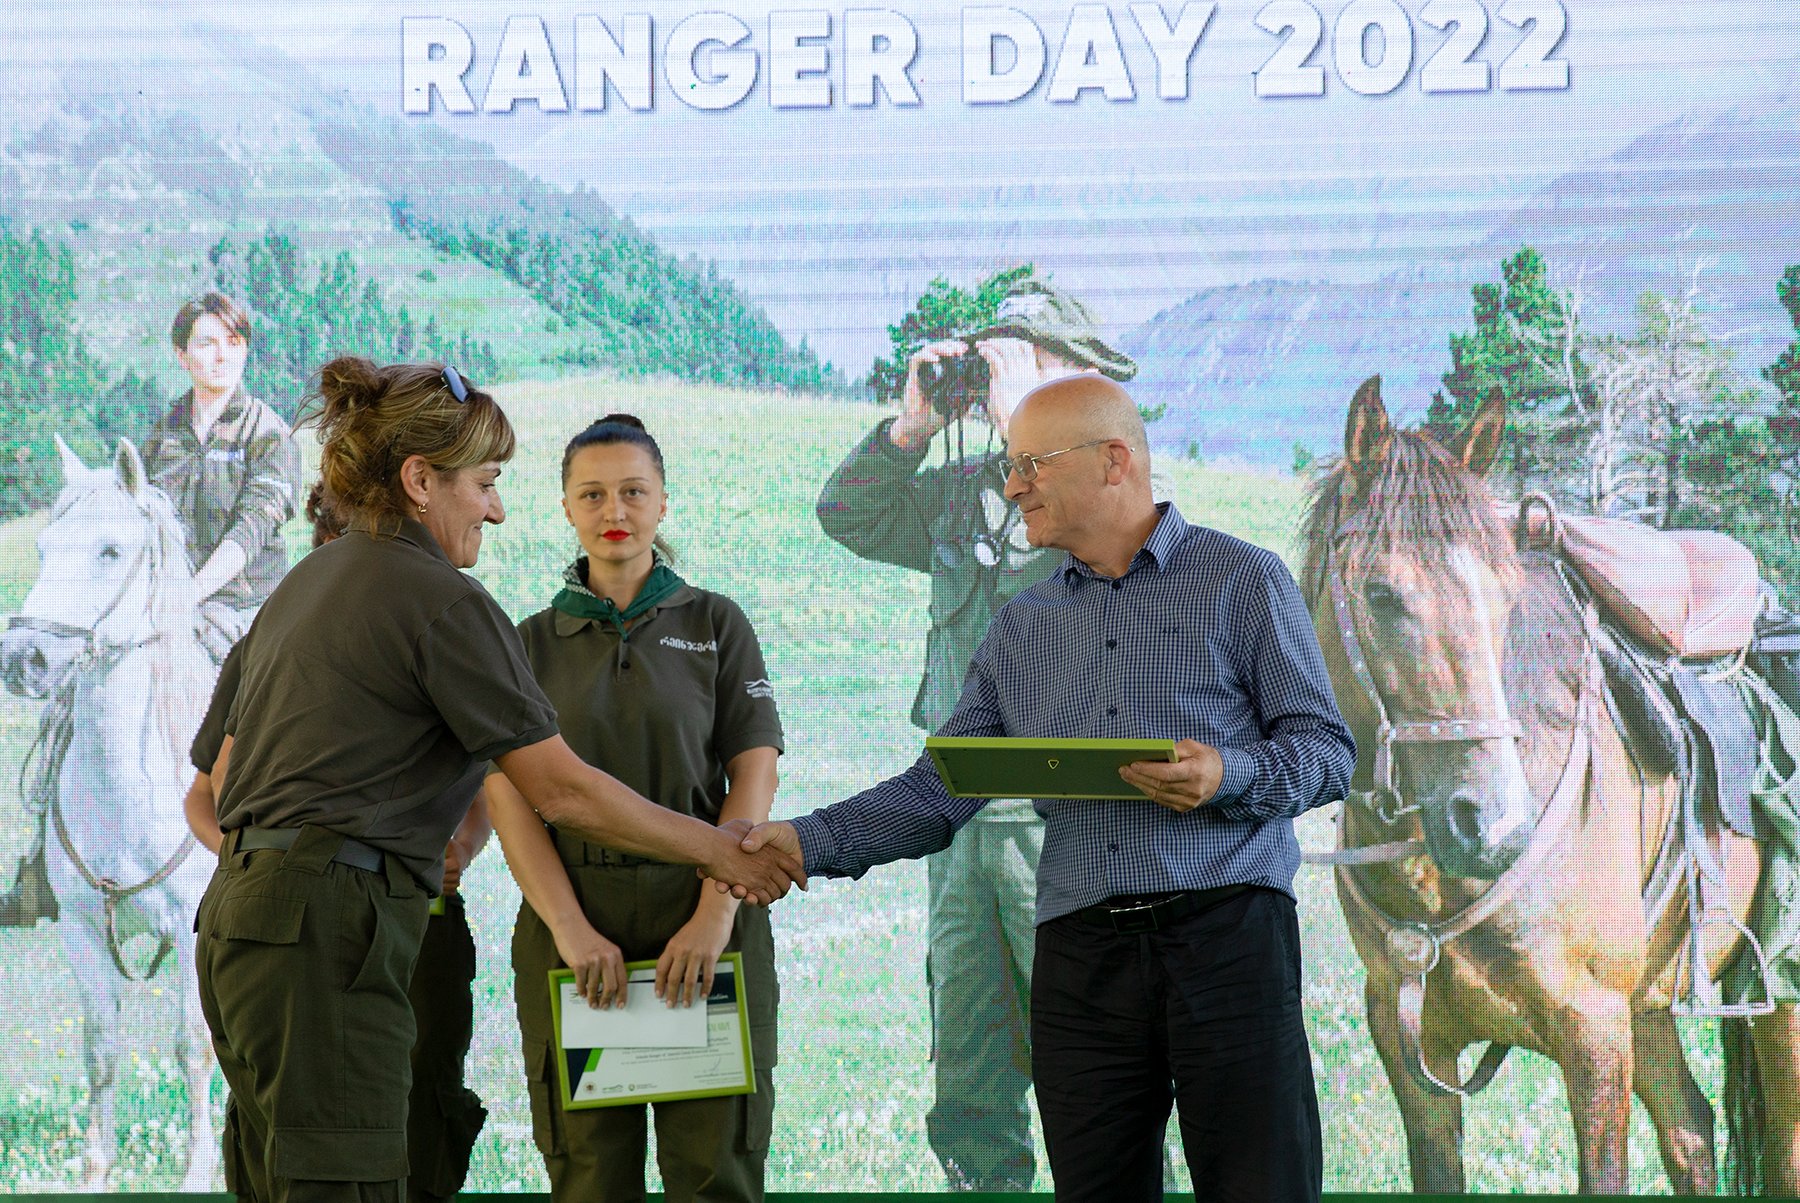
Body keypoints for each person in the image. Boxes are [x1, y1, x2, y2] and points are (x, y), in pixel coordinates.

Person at [194, 358, 801, 1203]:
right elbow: (559, 791)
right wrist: (720, 853)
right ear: (420, 481)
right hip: (332, 928)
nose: (496, 508)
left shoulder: (303, 584)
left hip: (241, 923)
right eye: (484, 484)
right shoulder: (443, 599)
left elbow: (218, 786)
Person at [745, 374, 1355, 1202]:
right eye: (1011, 464)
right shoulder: (1021, 627)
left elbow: (1326, 751)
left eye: (1033, 463)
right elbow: (940, 788)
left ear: (1114, 461)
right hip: (1080, 959)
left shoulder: (1243, 580)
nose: (1012, 485)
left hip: (1228, 941)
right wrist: (807, 840)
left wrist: (1227, 774)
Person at [815, 275, 1137, 1191]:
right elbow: (848, 514)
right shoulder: (963, 494)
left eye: (1028, 367)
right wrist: (910, 431)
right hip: (960, 825)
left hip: (1070, 823)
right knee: (968, 1068)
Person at [485, 414, 783, 1202]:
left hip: (705, 919)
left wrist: (714, 917)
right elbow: (509, 799)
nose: (613, 509)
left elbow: (755, 772)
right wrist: (571, 930)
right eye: (592, 494)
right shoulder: (525, 643)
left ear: (663, 502)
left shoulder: (717, 623)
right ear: (565, 507)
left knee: (716, 1173)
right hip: (576, 931)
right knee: (589, 1175)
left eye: (633, 491)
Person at [182, 481, 491, 1203]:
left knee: (411, 1127)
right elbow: (211, 790)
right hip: (305, 918)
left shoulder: (437, 617)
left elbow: (507, 778)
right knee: (312, 1154)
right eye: (345, 550)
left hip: (405, 919)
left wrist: (461, 850)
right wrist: (268, 857)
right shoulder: (275, 632)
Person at [142, 291, 303, 662]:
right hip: (166, 604)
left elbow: (251, 529)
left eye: (233, 342)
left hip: (246, 611)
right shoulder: (164, 435)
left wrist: (190, 594)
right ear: (181, 355)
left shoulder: (269, 434)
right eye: (207, 344)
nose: (222, 356)